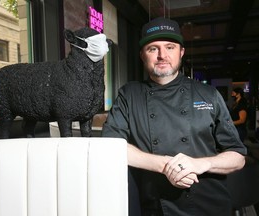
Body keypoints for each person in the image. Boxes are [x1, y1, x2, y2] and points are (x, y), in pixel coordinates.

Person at [102, 17, 247, 216]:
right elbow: (112, 145)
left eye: (170, 47)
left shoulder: (209, 94)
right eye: (153, 49)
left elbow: (238, 157)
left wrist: (200, 164)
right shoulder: (129, 95)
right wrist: (166, 166)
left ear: (181, 52)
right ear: (142, 55)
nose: (162, 55)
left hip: (207, 204)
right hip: (154, 206)